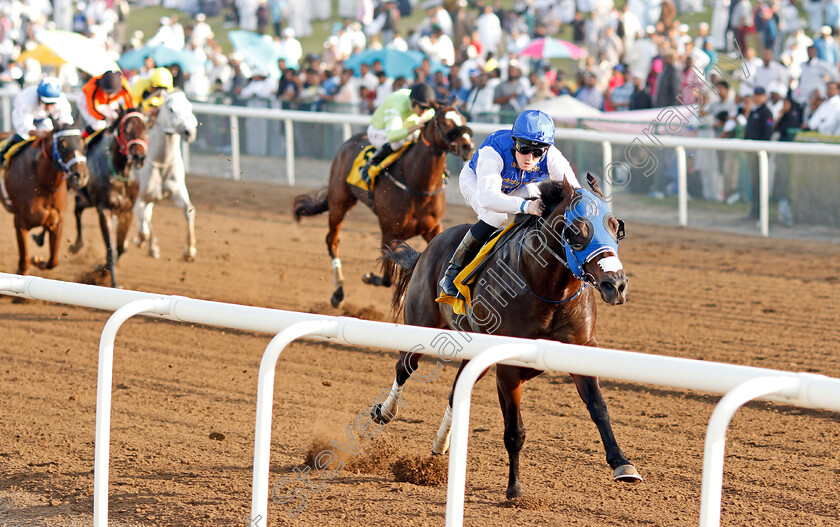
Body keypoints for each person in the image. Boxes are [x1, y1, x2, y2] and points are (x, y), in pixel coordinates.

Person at [439, 109, 581, 298]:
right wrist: (524, 206)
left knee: (543, 207)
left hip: (517, 185)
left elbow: (574, 192)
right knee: (495, 216)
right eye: (524, 149)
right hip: (475, 180)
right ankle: (452, 272)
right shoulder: (494, 150)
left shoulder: (552, 156)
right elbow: (488, 198)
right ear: (514, 142)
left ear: (546, 149)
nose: (529, 158)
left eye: (537, 151)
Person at [358, 83, 437, 185]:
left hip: (402, 129)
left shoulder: (420, 104)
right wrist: (414, 128)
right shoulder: (396, 102)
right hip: (379, 131)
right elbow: (392, 135)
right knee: (398, 142)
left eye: (427, 108)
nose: (425, 111)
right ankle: (369, 165)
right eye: (422, 108)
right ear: (412, 102)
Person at [0, 77, 74, 168]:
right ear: (39, 96)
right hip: (24, 117)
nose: (50, 107)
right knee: (24, 136)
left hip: (44, 119)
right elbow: (23, 124)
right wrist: (36, 132)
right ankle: (4, 153)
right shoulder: (26, 98)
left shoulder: (61, 100)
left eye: (52, 103)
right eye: (47, 103)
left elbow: (66, 121)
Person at [77, 70, 136, 137]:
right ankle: (82, 138)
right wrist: (104, 118)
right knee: (99, 124)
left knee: (115, 116)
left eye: (112, 93)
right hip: (85, 100)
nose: (110, 95)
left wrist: (132, 111)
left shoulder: (123, 82)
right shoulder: (92, 87)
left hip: (106, 102)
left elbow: (129, 98)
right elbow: (92, 109)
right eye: (107, 93)